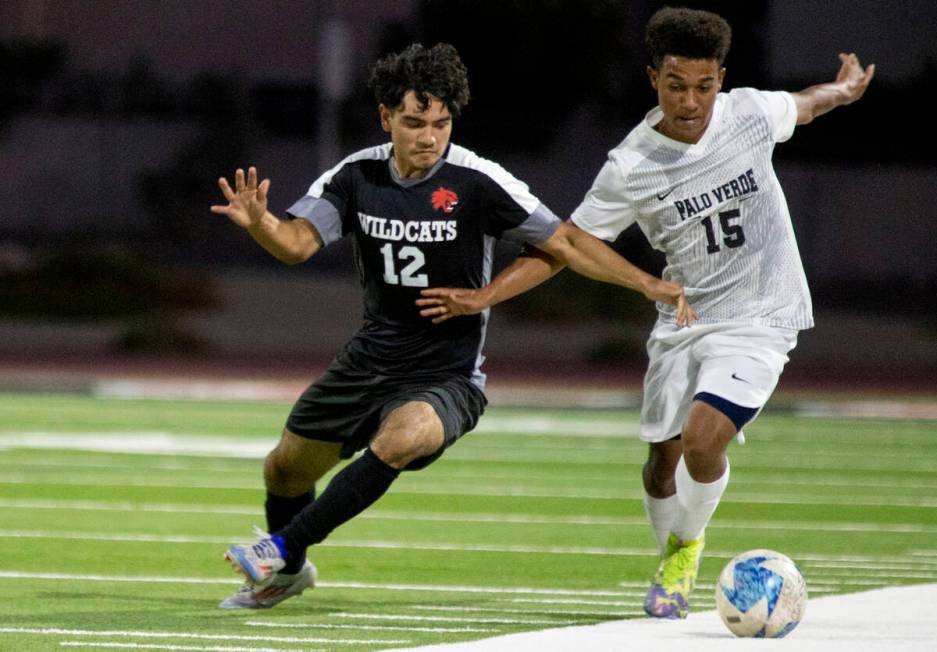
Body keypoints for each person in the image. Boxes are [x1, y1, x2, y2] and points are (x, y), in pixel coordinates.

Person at [416, 7, 874, 620]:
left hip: (763, 313)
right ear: (653, 77)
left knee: (705, 440)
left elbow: (805, 103)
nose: (691, 101)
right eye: (676, 85)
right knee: (663, 463)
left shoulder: (748, 114)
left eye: (705, 86)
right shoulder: (631, 164)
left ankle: (684, 555)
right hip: (684, 320)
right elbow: (569, 244)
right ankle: (670, 555)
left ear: (721, 79)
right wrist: (484, 295)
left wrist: (843, 90)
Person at [209, 42, 696, 610]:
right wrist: (260, 222)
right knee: (285, 469)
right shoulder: (355, 176)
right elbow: (295, 244)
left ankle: (279, 549)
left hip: (447, 375)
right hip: (369, 358)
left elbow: (563, 243)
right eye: (414, 122)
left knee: (403, 437)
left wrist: (647, 284)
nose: (429, 136)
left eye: (440, 123)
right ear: (386, 117)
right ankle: (288, 571)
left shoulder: (477, 180)